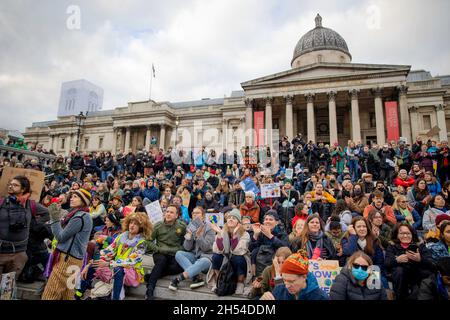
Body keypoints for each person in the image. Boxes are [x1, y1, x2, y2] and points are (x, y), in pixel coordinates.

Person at [76, 212, 151, 300]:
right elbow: (108, 251)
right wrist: (90, 263)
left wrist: (108, 264)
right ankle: (78, 293)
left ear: (141, 227)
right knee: (95, 264)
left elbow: (130, 262)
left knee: (118, 269)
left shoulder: (142, 243)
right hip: (115, 266)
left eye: (136, 224)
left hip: (132, 273)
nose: (132, 225)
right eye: (131, 222)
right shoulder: (121, 237)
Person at [42, 188, 93, 300]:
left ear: (83, 201)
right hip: (75, 261)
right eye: (72, 196)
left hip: (67, 261)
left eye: (76, 196)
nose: (71, 198)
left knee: (50, 294)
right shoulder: (82, 215)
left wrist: (54, 217)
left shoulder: (80, 217)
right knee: (67, 295)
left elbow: (60, 237)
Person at [0, 176, 49, 281]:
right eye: (10, 184)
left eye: (15, 185)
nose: (11, 186)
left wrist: (31, 223)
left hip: (18, 255)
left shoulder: (31, 205)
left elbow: (46, 213)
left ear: (23, 189)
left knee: (7, 288)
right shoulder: (1, 202)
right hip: (1, 251)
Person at [144, 204, 186, 300]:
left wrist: (181, 249)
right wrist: (157, 249)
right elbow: (148, 240)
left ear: (177, 215)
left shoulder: (182, 226)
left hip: (174, 254)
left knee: (179, 267)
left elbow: (186, 242)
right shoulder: (158, 225)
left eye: (171, 212)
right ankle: (149, 290)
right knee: (161, 261)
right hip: (160, 253)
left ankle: (151, 276)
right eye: (167, 211)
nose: (168, 214)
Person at [384, 222, 434, 300]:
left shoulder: (419, 245)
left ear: (412, 234)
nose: (405, 236)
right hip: (400, 278)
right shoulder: (392, 246)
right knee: (399, 271)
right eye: (402, 233)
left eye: (408, 233)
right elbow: (387, 263)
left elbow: (432, 263)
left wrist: (420, 259)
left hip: (417, 276)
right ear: (397, 235)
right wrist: (397, 260)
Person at [170, 207, 215, 291]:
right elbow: (187, 248)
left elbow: (207, 248)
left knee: (204, 261)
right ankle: (195, 276)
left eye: (197, 213)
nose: (195, 215)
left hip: (206, 257)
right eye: (193, 213)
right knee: (179, 254)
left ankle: (179, 278)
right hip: (195, 256)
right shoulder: (190, 226)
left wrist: (198, 236)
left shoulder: (209, 227)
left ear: (203, 216)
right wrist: (189, 237)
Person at [208, 209, 251, 295]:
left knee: (237, 258)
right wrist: (219, 235)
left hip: (238, 258)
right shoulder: (222, 231)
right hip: (226, 258)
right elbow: (218, 250)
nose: (231, 219)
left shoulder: (245, 234)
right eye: (229, 218)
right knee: (216, 256)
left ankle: (240, 283)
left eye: (234, 218)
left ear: (238, 222)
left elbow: (238, 251)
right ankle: (219, 280)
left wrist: (235, 236)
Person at [259, 250, 329, 300]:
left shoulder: (320, 297)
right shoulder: (279, 290)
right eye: (284, 280)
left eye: (291, 281)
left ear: (304, 277)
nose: (287, 286)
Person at [249, 210, 290, 277]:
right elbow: (251, 249)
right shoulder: (260, 232)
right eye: (266, 219)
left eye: (271, 219)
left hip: (275, 261)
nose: (268, 221)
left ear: (276, 222)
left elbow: (285, 248)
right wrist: (255, 235)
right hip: (260, 262)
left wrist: (270, 236)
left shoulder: (282, 233)